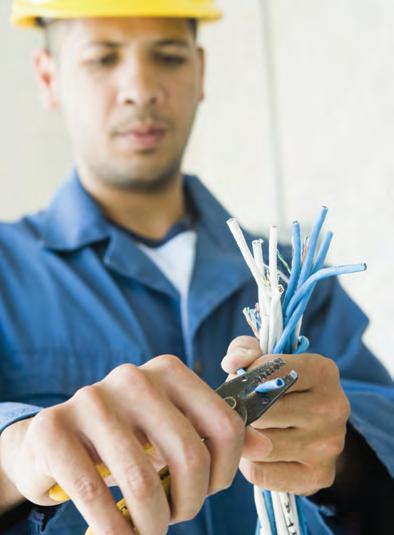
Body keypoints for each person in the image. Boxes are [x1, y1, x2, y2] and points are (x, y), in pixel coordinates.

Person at [0, 1, 393, 534]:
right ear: (49, 78)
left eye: (167, 56)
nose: (140, 89)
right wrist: (14, 455)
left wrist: (346, 456)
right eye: (102, 58)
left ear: (200, 70)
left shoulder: (294, 274)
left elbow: (379, 422)